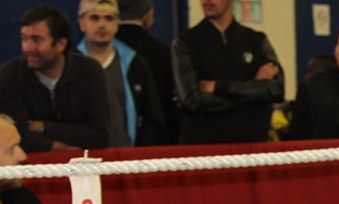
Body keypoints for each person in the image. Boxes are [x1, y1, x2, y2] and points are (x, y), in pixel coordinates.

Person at [0, 3, 110, 152]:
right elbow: (17, 137)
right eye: (24, 39)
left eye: (36, 40)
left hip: (85, 171)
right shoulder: (10, 74)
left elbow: (99, 137)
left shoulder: (90, 71)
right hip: (30, 170)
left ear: (61, 44)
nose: (27, 47)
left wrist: (43, 127)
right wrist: (59, 148)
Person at [171, 0, 284, 144]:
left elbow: (276, 90)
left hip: (251, 150)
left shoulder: (256, 41)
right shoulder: (185, 43)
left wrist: (217, 87)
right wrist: (252, 95)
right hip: (203, 151)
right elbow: (191, 99)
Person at [76, 0, 168, 147]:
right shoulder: (70, 66)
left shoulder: (135, 64)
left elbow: (152, 117)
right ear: (81, 23)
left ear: (117, 24)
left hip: (127, 159)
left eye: (109, 18)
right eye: (94, 18)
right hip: (82, 161)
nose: (102, 24)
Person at [116, 0, 180, 144]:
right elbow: (172, 108)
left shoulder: (101, 52)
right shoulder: (162, 53)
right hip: (154, 144)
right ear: (148, 14)